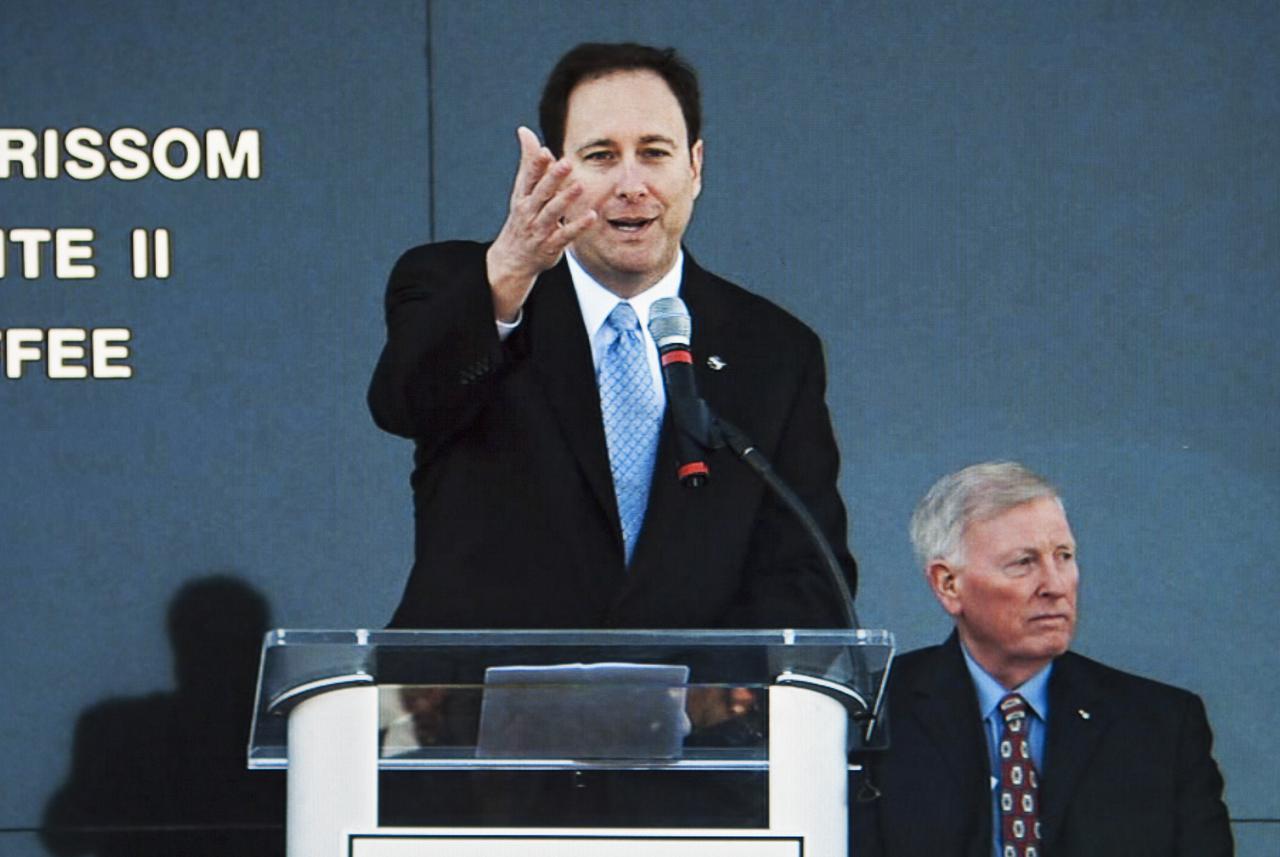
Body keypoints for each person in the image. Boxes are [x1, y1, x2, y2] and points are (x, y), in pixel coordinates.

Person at [369, 42, 855, 630]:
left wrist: (715, 697)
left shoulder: (772, 349)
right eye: (601, 156)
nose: (632, 183)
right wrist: (512, 269)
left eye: (654, 153)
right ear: (552, 171)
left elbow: (810, 573)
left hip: (689, 712)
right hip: (483, 706)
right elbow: (405, 402)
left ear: (695, 166)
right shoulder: (459, 285)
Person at [852, 461, 1232, 857]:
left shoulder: (1162, 727)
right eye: (1024, 562)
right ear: (948, 584)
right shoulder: (871, 714)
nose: (1055, 585)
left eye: (1064, 556)